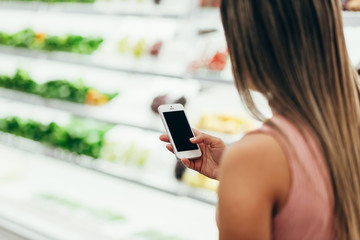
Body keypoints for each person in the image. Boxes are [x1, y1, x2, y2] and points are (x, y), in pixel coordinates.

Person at [160, 0, 360, 239]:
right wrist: (237, 176)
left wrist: (243, 171)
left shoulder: (255, 156)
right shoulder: (346, 123)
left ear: (254, 41)